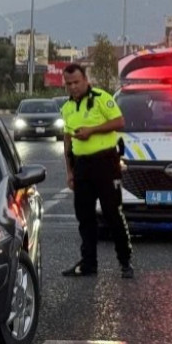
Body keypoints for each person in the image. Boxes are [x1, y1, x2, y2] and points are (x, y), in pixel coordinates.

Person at [59, 63, 133, 279]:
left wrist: (92, 130)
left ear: (85, 80)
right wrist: (70, 171)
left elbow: (119, 121)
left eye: (76, 82)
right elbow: (67, 139)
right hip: (82, 165)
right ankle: (88, 263)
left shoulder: (101, 98)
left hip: (106, 163)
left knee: (112, 213)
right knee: (85, 216)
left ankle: (125, 261)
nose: (73, 87)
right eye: (68, 83)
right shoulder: (67, 108)